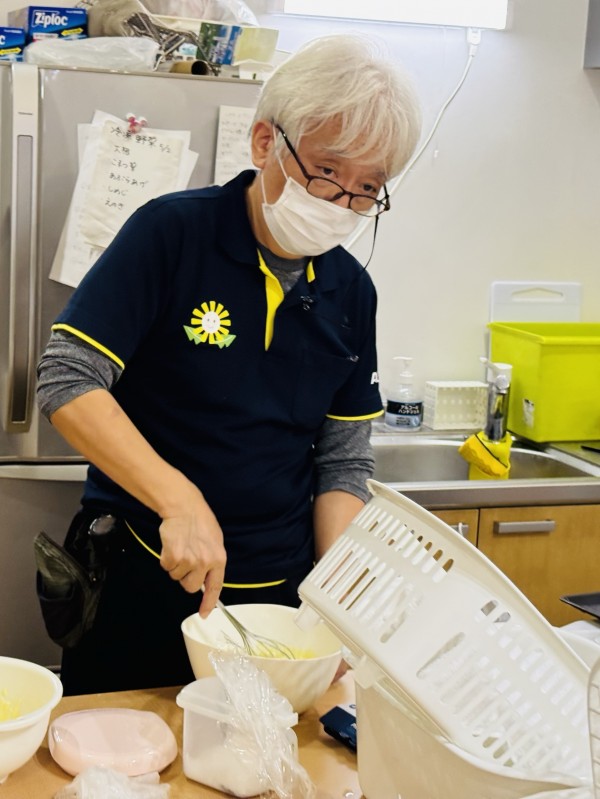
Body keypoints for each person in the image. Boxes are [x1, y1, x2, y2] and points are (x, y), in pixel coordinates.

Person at [36, 33, 421, 694]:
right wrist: (178, 497)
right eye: (327, 172)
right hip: (143, 576)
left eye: (367, 189)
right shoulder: (173, 233)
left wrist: (341, 599)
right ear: (266, 142)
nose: (341, 204)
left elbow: (343, 461)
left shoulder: (352, 292)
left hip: (278, 604)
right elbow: (67, 379)